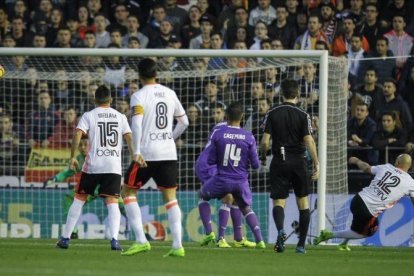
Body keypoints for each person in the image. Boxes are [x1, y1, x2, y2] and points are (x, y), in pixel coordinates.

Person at [121, 58, 189, 257]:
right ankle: (177, 246)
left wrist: (136, 151)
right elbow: (184, 122)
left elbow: (137, 124)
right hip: (168, 152)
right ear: (156, 73)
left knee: (128, 192)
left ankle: (141, 240)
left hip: (146, 154)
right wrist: (170, 137)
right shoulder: (170, 93)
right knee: (170, 198)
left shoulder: (139, 96)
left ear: (139, 75)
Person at [56, 85, 133, 251]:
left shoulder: (89, 115)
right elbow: (128, 136)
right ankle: (114, 240)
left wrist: (72, 157)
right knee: (112, 203)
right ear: (111, 100)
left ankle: (65, 238)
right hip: (113, 166)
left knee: (79, 199)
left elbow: (77, 134)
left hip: (93, 165)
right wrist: (135, 155)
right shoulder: (120, 116)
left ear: (94, 100)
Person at [260, 79, 320, 254]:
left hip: (279, 161)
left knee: (279, 201)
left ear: (281, 94)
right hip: (299, 162)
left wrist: (263, 156)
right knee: (303, 203)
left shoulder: (272, 113)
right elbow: (309, 140)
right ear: (298, 94)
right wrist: (316, 162)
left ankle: (280, 231)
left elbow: (264, 141)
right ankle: (301, 245)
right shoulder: (303, 114)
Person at [199, 101, 266, 250]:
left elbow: (209, 159)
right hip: (241, 181)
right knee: (245, 207)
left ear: (226, 116)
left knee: (202, 196)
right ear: (242, 117)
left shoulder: (218, 133)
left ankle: (220, 237)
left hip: (222, 178)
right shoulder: (249, 136)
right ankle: (260, 240)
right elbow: (255, 165)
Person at [314, 154, 414, 251]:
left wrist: (357, 160)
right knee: (368, 232)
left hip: (358, 200)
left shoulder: (386, 167)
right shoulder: (410, 183)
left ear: (397, 162)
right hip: (368, 210)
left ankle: (343, 244)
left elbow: (366, 168)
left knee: (358, 226)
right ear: (409, 166)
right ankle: (329, 235)